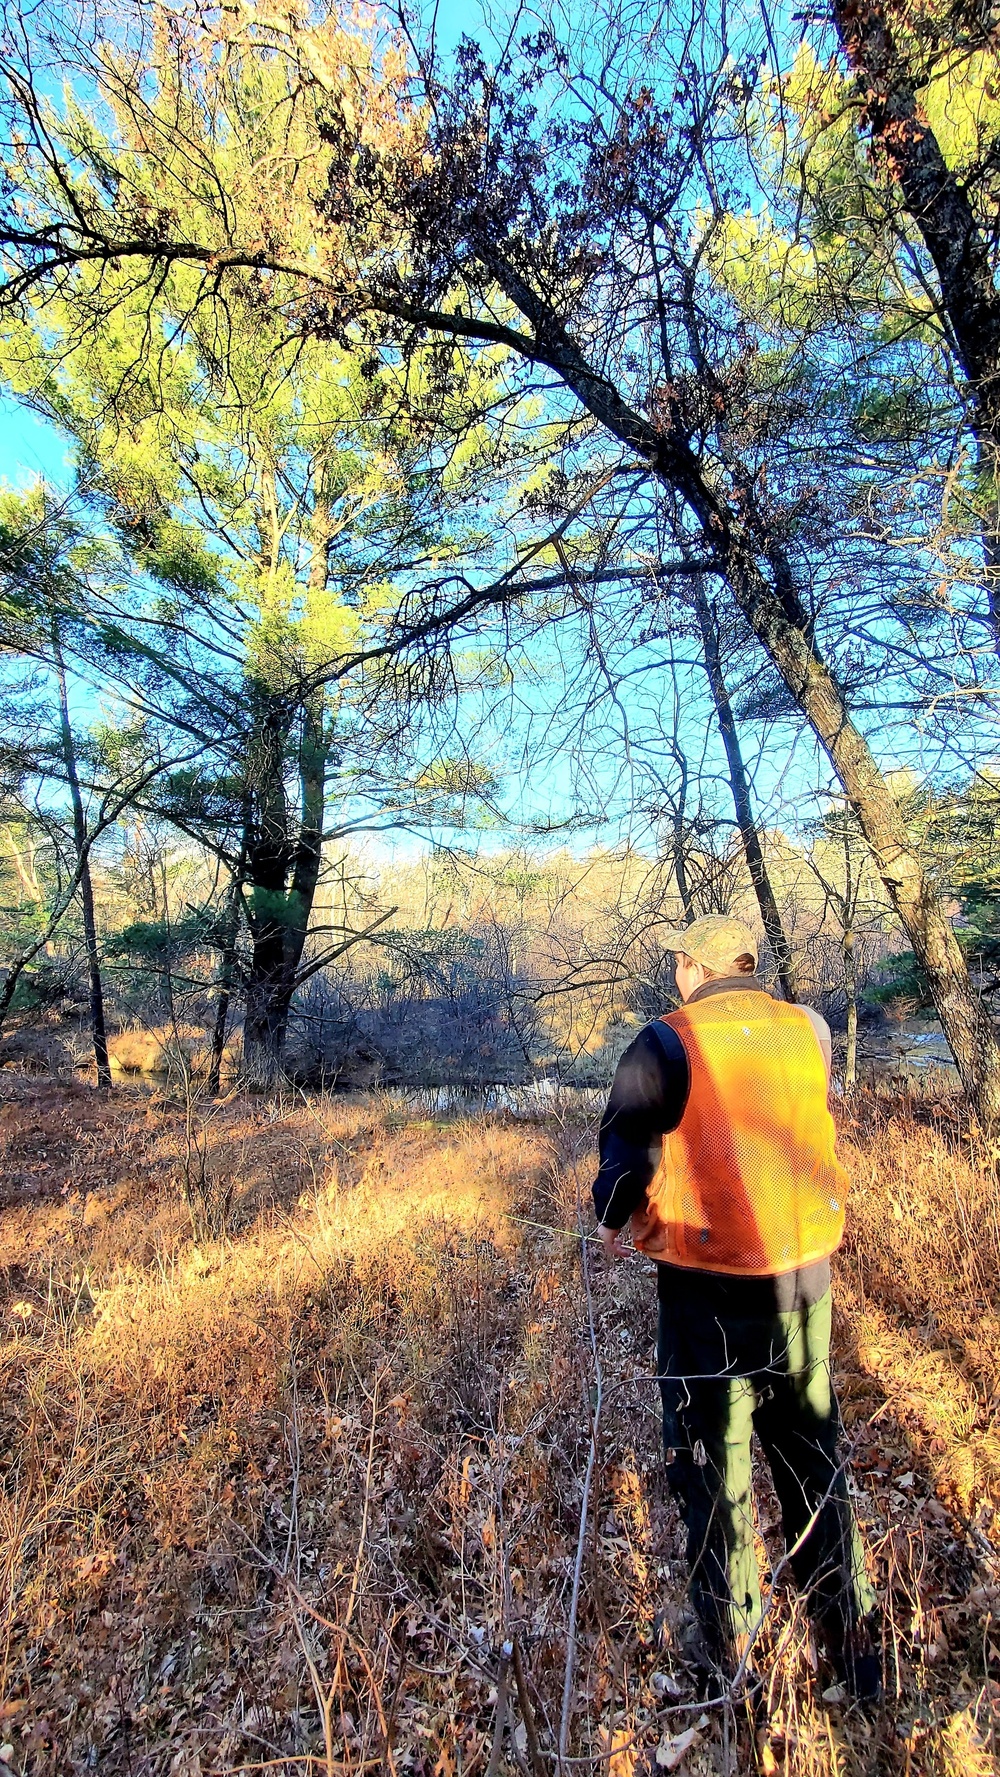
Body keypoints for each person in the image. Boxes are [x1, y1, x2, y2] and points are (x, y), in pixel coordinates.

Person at [593, 914, 880, 1701]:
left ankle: (733, 1670)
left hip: (705, 1295)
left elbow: (620, 1171)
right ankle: (854, 1659)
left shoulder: (665, 1041)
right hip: (805, 1284)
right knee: (814, 1462)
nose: (674, 975)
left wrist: (610, 1222)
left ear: (695, 966)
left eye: (678, 962)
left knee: (717, 1474)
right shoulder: (808, 1029)